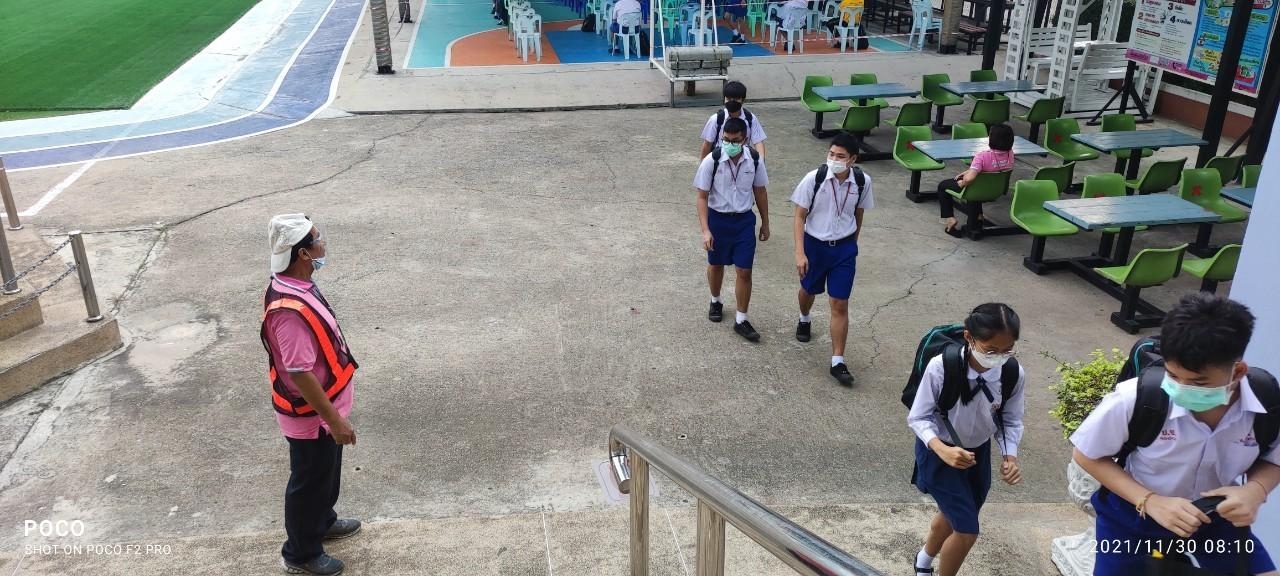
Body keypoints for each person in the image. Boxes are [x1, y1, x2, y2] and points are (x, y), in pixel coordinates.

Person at [1072, 294, 1280, 576]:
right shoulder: (1136, 399)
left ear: (1238, 372)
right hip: (1134, 517)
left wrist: (1255, 490)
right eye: (1173, 375)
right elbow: (1086, 455)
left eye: (1198, 382)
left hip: (1214, 518)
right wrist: (1151, 501)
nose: (1181, 388)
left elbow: (1273, 458)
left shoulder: (1266, 403)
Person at [262, 214, 362, 576]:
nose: (323, 244)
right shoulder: (289, 312)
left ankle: (323, 520)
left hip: (325, 410)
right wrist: (334, 421)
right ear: (303, 253)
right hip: (312, 417)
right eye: (318, 239)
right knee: (309, 482)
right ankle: (300, 553)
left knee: (326, 476)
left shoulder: (298, 283)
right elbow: (299, 372)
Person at [907, 303, 1025, 576]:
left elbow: (1010, 419)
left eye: (1008, 350)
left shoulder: (1012, 373)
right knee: (967, 530)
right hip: (939, 452)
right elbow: (918, 417)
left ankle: (923, 560)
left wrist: (1010, 457)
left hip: (977, 454)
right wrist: (942, 450)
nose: (999, 357)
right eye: (991, 350)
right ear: (969, 338)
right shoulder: (942, 367)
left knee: (955, 515)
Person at [791, 133, 872, 385]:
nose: (834, 159)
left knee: (839, 303)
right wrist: (800, 252)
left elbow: (859, 214)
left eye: (840, 156)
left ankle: (838, 361)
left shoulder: (862, 182)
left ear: (852, 159)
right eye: (831, 154)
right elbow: (799, 216)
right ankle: (804, 317)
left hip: (844, 249)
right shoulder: (813, 179)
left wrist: (852, 244)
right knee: (808, 291)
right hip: (815, 246)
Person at [694, 117, 770, 342]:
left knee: (744, 271)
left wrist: (765, 222)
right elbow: (701, 196)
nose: (730, 144)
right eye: (726, 140)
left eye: (735, 140)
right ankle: (715, 300)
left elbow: (760, 192)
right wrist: (705, 230)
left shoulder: (754, 160)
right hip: (718, 220)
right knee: (716, 265)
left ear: (745, 140)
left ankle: (741, 319)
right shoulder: (712, 161)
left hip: (744, 222)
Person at [936, 123, 1015, 237]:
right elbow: (988, 171)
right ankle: (979, 216)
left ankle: (950, 219)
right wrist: (968, 171)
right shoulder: (1010, 154)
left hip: (975, 190)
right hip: (995, 190)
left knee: (943, 186)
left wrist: (962, 182)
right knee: (977, 185)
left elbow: (970, 179)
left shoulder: (982, 156)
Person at [699, 81, 767, 160]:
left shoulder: (750, 119)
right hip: (719, 162)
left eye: (736, 99)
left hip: (743, 161)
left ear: (743, 100)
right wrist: (703, 165)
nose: (732, 102)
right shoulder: (716, 119)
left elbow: (758, 143)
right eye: (728, 99)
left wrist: (760, 163)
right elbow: (707, 144)